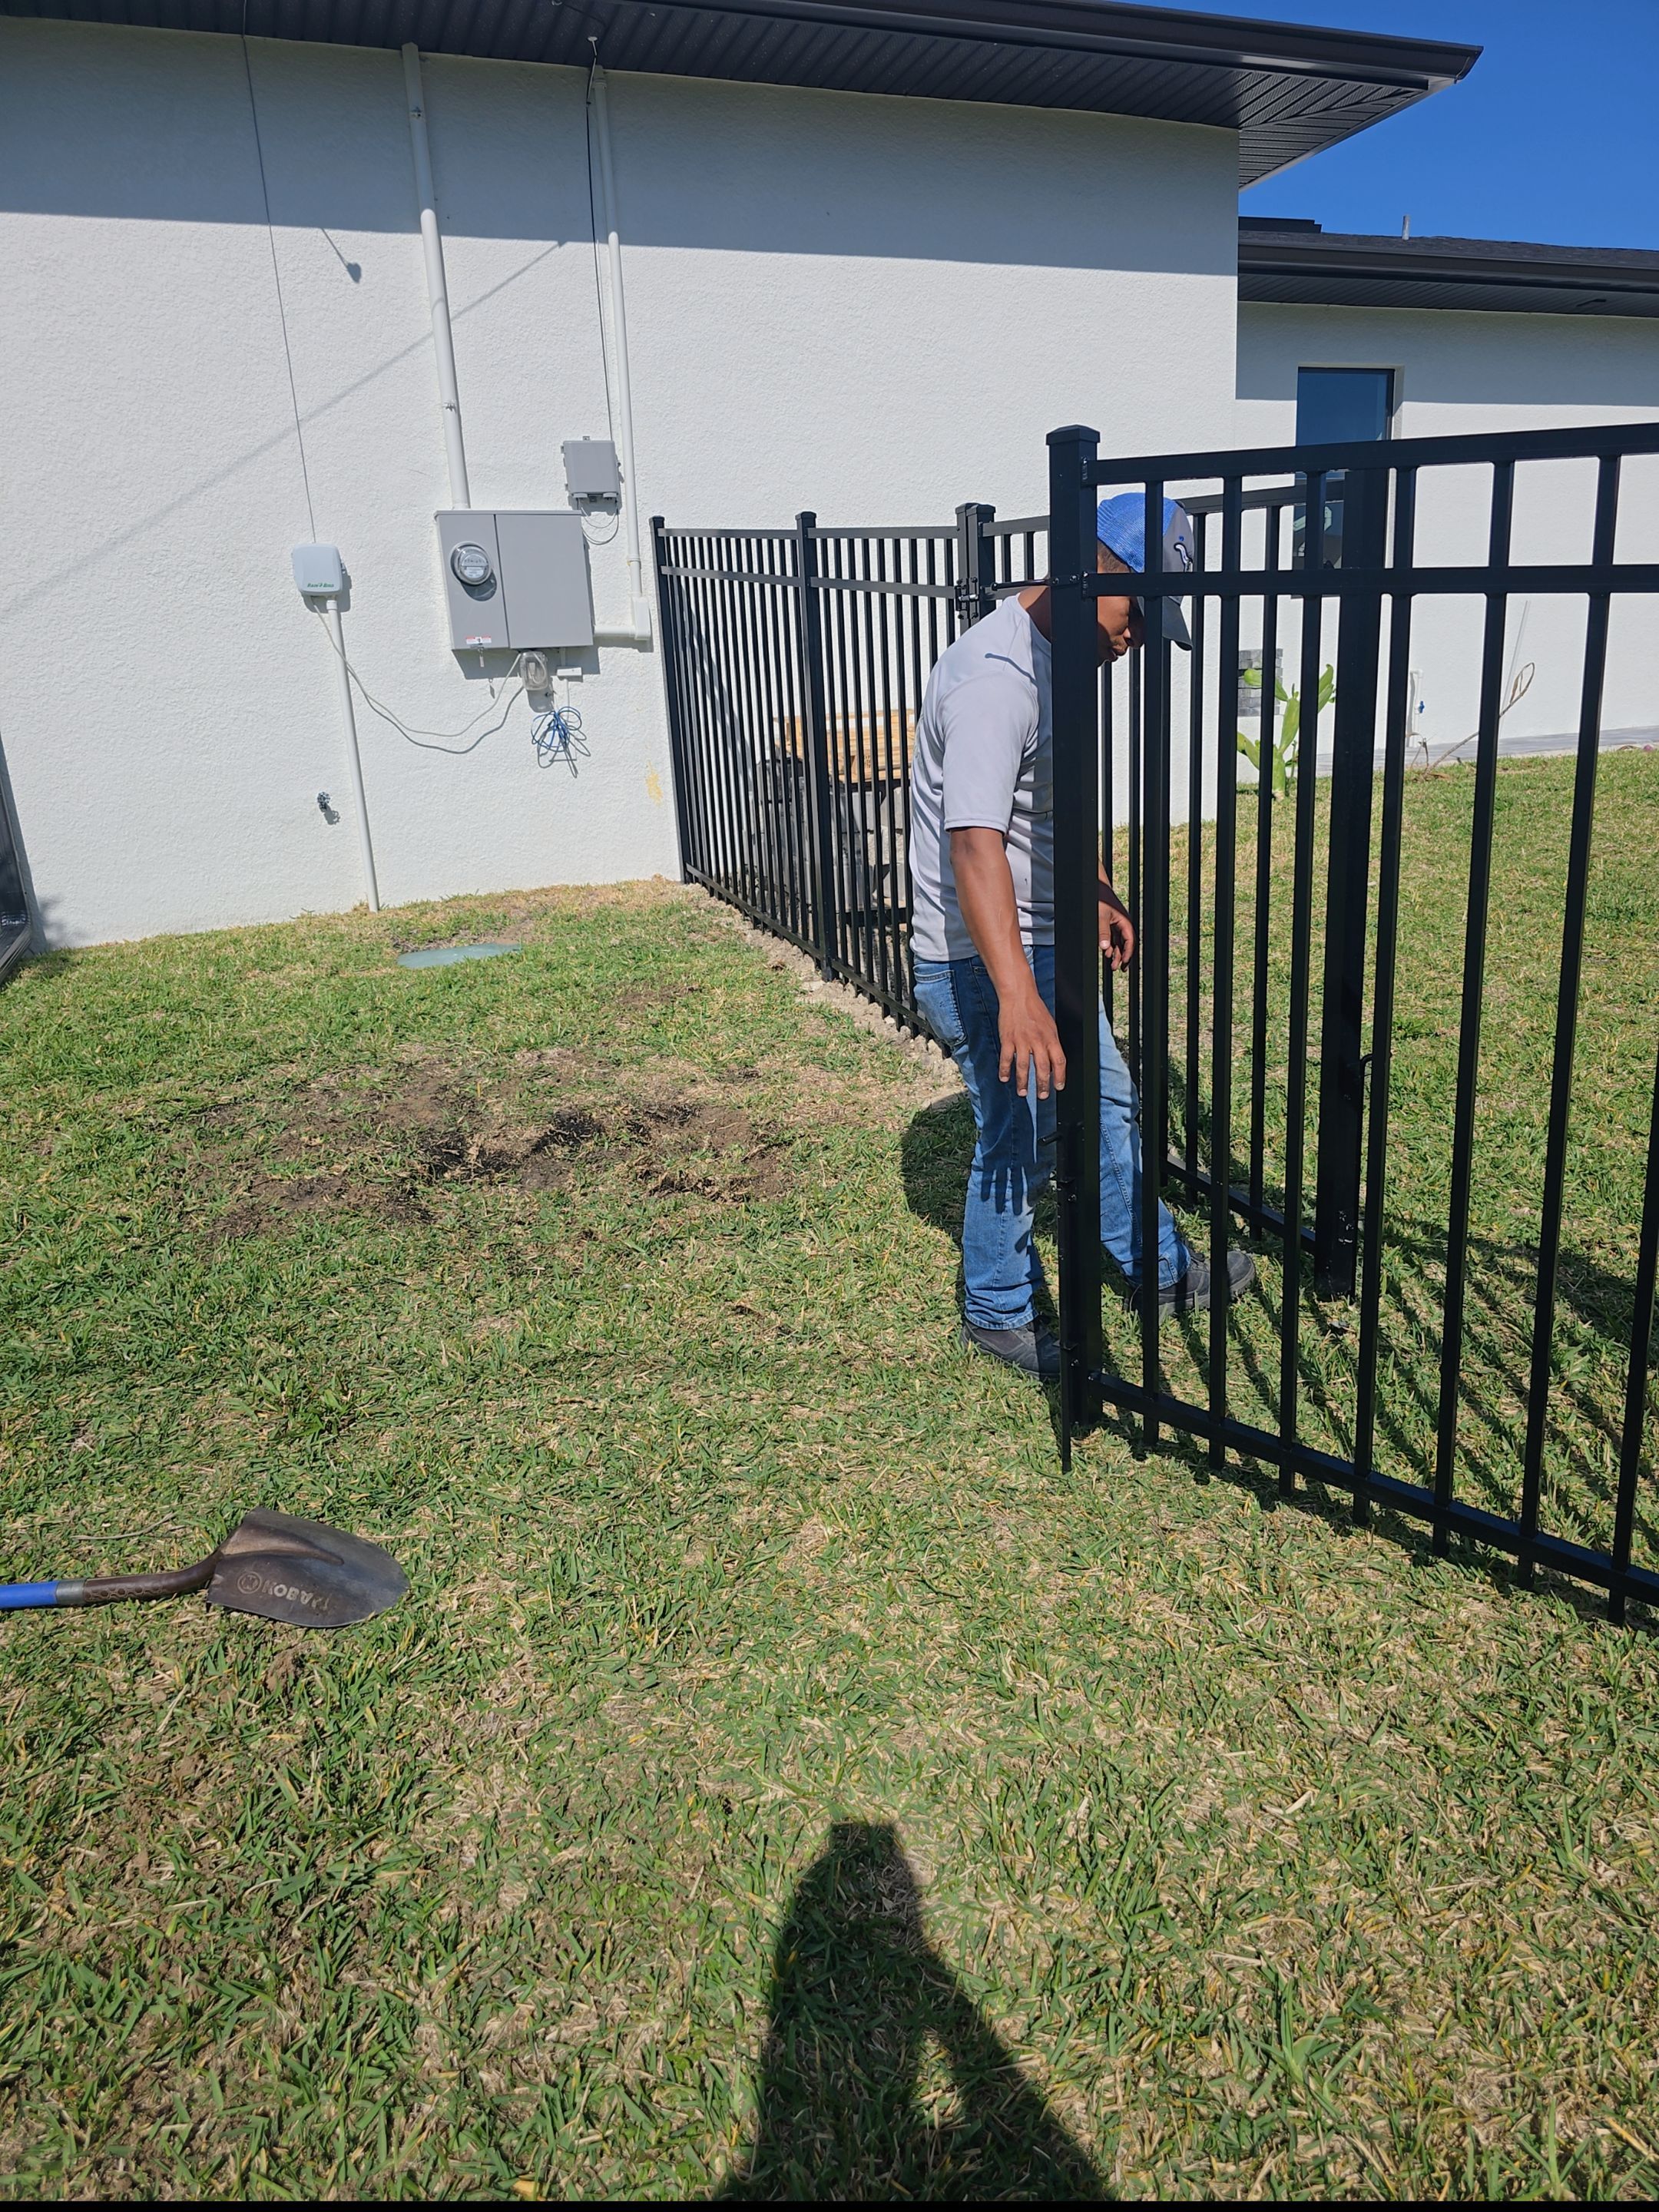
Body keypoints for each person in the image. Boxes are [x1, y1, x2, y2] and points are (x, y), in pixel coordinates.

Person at [909, 493, 1257, 1379]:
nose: (1136, 635)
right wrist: (1020, 996)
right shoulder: (997, 679)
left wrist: (1094, 887)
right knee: (1017, 1133)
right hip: (980, 960)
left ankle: (1161, 1271)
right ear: (1096, 569)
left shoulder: (1063, 657)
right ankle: (997, 1311)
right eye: (1136, 610)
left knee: (1102, 1105)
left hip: (1041, 941)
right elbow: (976, 842)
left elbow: (1048, 799)